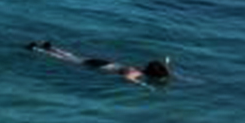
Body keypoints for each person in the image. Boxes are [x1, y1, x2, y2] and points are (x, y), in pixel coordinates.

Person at [25, 40, 171, 85]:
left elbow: (159, 68)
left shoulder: (138, 69)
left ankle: (50, 47)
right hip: (98, 65)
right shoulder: (134, 72)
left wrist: (166, 68)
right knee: (68, 60)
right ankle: (37, 49)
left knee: (73, 57)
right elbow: (127, 77)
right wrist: (144, 85)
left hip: (103, 62)